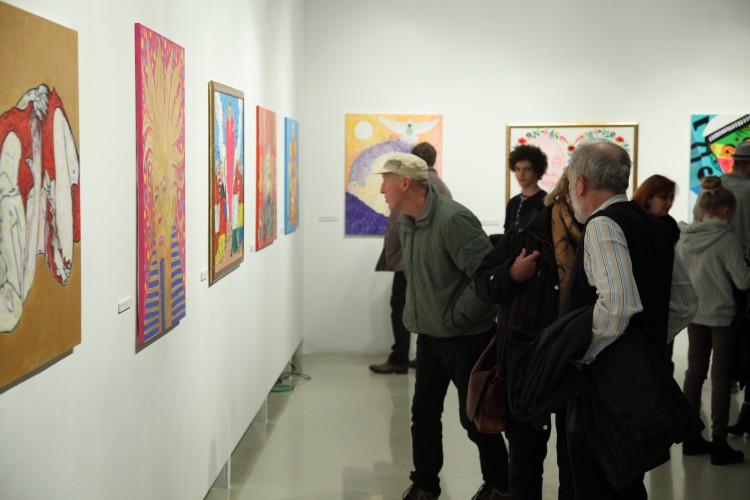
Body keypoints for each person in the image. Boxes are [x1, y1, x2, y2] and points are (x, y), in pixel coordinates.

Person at [563, 139, 698, 499]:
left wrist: (584, 353)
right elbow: (685, 304)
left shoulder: (602, 225)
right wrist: (644, 345)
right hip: (634, 387)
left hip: (601, 390)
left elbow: (619, 305)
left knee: (596, 483)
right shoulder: (655, 225)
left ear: (579, 182)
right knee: (625, 482)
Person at [372, 152, 509, 500]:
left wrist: (457, 317)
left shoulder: (453, 219)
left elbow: (486, 278)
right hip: (430, 339)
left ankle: (499, 485)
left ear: (405, 183)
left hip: (467, 339)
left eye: (385, 181)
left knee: (475, 418)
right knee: (423, 416)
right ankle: (425, 485)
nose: (381, 189)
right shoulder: (407, 220)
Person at [475, 173, 579, 500]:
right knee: (524, 462)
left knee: (575, 463)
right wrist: (511, 274)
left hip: (577, 363)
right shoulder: (528, 231)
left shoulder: (598, 234)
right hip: (527, 363)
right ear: (572, 190)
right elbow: (482, 282)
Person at [677, 175, 750, 465]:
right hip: (721, 317)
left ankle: (690, 437)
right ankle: (720, 442)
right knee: (721, 377)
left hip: (695, 314)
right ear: (726, 211)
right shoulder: (727, 240)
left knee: (694, 372)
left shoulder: (684, 238)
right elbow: (743, 282)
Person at [370, 142, 451, 374]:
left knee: (400, 306)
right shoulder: (442, 186)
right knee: (428, 306)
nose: (383, 190)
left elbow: (397, 226)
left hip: (409, 260)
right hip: (431, 261)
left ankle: (399, 358)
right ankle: (427, 354)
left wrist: (392, 254)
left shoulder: (410, 187)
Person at [632, 174, 680, 374]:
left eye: (671, 198)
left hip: (663, 302)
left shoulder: (670, 225)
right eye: (664, 197)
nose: (669, 203)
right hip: (638, 303)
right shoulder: (633, 221)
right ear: (649, 197)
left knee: (662, 361)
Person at [724, 141, 750, 436]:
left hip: (719, 271)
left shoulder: (716, 187)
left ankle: (728, 377)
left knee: (725, 332)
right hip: (745, 268)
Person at [504, 145, 548, 234]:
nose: (521, 174)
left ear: (537, 171)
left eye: (526, 169)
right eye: (517, 169)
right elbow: (507, 234)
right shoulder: (512, 202)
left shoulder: (545, 202)